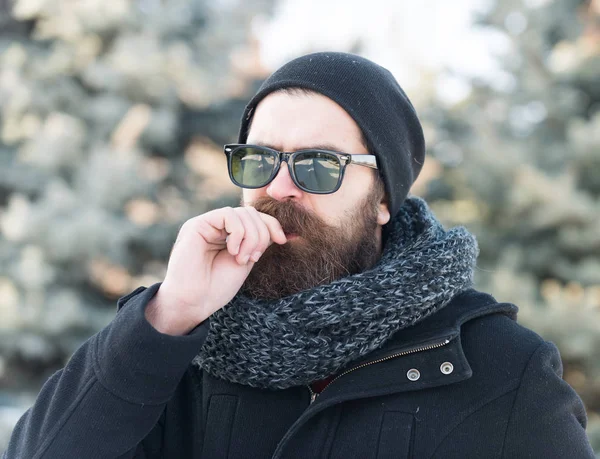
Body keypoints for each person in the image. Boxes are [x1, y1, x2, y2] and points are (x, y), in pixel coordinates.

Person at [3, 52, 595, 459]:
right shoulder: (179, 351)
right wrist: (169, 315)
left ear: (383, 196)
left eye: (318, 165)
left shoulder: (499, 370)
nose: (279, 187)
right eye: (259, 161)